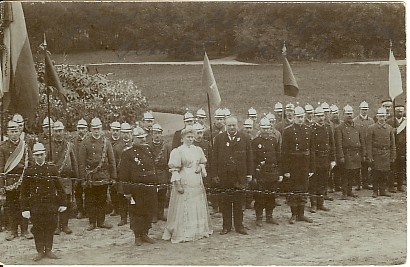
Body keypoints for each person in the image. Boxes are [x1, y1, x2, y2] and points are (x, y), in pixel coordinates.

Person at [163, 126, 212, 243]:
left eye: (192, 137)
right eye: (188, 137)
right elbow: (174, 170)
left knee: (196, 204)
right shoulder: (178, 151)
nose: (190, 139)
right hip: (184, 180)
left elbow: (202, 162)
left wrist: (200, 167)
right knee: (185, 206)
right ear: (182, 138)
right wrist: (178, 185)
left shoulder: (197, 150)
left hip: (196, 182)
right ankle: (184, 232)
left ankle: (197, 230)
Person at [20, 143, 66, 261]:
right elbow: (24, 191)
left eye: (41, 154)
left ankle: (49, 249)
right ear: (34, 156)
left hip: (51, 204)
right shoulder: (29, 171)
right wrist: (25, 208)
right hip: (36, 205)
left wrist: (63, 203)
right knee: (38, 227)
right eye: (37, 155)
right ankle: (40, 251)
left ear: (45, 154)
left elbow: (60, 187)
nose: (39, 157)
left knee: (50, 226)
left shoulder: (52, 168)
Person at [212, 116, 253, 235]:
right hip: (224, 176)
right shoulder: (219, 138)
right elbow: (214, 158)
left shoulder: (245, 138)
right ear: (226, 125)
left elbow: (249, 157)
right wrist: (214, 174)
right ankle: (226, 226)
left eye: (233, 125)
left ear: (237, 125)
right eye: (229, 125)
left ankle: (239, 226)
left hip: (239, 176)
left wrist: (249, 173)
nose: (231, 128)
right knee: (225, 202)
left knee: (239, 203)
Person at [118, 126, 158, 246]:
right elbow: (124, 174)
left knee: (148, 210)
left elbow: (153, 168)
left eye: (144, 137)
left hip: (149, 186)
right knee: (136, 212)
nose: (143, 140)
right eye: (139, 138)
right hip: (136, 189)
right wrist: (127, 191)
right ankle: (137, 235)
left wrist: (155, 183)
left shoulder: (148, 149)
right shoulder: (127, 153)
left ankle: (145, 233)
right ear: (133, 138)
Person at [78, 117, 117, 231]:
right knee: (90, 200)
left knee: (102, 199)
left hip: (103, 176)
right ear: (90, 129)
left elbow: (112, 161)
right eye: (94, 129)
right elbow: (81, 162)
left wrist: (113, 177)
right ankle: (92, 222)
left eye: (98, 128)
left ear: (101, 129)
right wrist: (83, 179)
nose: (96, 131)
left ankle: (101, 221)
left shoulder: (106, 142)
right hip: (90, 177)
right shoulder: (85, 143)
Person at [0, 121, 33, 241]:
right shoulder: (2, 148)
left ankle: (24, 230)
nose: (14, 134)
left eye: (16, 131)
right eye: (11, 131)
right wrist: (1, 185)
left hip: (23, 179)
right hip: (9, 181)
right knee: (11, 206)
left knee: (24, 205)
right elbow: (1, 167)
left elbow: (30, 164)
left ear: (20, 132)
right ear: (7, 133)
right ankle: (13, 230)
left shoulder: (25, 146)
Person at [282, 106, 315, 224]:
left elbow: (312, 150)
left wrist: (312, 168)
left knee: (303, 189)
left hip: (305, 164)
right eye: (298, 117)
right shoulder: (288, 131)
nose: (300, 119)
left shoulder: (308, 129)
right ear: (294, 117)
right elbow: (284, 152)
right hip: (293, 164)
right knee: (293, 190)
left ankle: (301, 214)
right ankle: (294, 214)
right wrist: (285, 169)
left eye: (302, 117)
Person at [46, 121, 78, 235]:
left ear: (63, 131)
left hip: (66, 179)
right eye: (56, 131)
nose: (58, 133)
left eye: (60, 131)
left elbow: (74, 162)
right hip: (54, 179)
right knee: (54, 203)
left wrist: (76, 178)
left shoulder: (69, 145)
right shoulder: (48, 145)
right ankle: (55, 226)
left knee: (66, 202)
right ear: (52, 132)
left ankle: (64, 225)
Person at [251, 118, 281, 226]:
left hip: (272, 173)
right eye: (263, 129)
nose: (266, 131)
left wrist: (279, 173)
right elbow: (253, 160)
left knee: (271, 196)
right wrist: (254, 175)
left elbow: (278, 157)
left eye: (267, 129)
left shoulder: (273, 141)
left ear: (270, 129)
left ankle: (269, 216)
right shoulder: (255, 142)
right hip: (261, 174)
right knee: (260, 197)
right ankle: (259, 217)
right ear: (260, 129)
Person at [334, 105, 366, 200]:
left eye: (351, 113)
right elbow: (338, 144)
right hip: (346, 153)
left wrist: (363, 153)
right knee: (345, 174)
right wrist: (341, 156)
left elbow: (362, 141)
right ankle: (344, 193)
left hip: (356, 153)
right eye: (347, 113)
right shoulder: (339, 128)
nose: (349, 115)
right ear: (343, 114)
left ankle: (350, 191)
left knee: (353, 173)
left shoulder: (357, 127)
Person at [309, 107, 335, 213]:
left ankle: (321, 203)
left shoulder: (328, 128)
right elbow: (310, 147)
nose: (320, 118)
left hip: (325, 158)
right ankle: (314, 204)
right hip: (315, 158)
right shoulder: (311, 129)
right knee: (314, 182)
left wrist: (333, 159)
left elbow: (332, 144)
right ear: (314, 117)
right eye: (318, 116)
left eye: (322, 116)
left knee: (323, 181)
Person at [368, 108, 396, 197]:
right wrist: (370, 156)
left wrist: (393, 155)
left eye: (383, 116)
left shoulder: (389, 128)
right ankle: (375, 191)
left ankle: (383, 190)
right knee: (376, 173)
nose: (382, 118)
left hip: (386, 154)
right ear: (377, 116)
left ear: (386, 117)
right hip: (376, 153)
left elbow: (393, 144)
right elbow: (369, 144)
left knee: (385, 173)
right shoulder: (371, 128)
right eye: (380, 116)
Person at [149, 123, 171, 222]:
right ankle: (153, 215)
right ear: (152, 134)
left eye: (159, 133)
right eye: (155, 133)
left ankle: (161, 213)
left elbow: (169, 161)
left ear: (161, 134)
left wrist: (169, 176)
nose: (157, 135)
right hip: (152, 174)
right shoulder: (147, 146)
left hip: (163, 174)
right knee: (152, 195)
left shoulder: (166, 147)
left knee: (162, 195)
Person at [113, 122, 133, 226]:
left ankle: (133, 217)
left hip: (133, 177)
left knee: (133, 197)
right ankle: (123, 218)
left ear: (131, 133)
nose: (126, 135)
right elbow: (114, 162)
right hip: (121, 176)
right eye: (124, 133)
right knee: (121, 197)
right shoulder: (117, 147)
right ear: (121, 133)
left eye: (128, 133)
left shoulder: (134, 146)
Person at [353, 101, 374, 190]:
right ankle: (358, 184)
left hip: (369, 146)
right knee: (358, 166)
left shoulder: (371, 121)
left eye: (366, 109)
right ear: (359, 109)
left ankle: (366, 183)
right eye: (363, 109)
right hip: (359, 147)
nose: (364, 111)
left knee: (367, 165)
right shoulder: (355, 121)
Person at [72, 118, 89, 219]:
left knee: (88, 191)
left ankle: (88, 210)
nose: (81, 130)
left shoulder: (90, 140)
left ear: (86, 129)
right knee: (78, 192)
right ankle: (80, 210)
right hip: (77, 170)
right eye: (79, 128)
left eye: (83, 128)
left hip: (88, 170)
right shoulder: (73, 142)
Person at [387, 105, 406, 192]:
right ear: (395, 111)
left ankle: (400, 184)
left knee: (401, 167)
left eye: (401, 111)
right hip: (392, 147)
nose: (399, 113)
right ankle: (391, 185)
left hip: (402, 148)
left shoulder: (405, 122)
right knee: (392, 167)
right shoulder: (389, 122)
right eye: (398, 111)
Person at [108, 121, 121, 217]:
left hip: (121, 169)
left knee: (122, 189)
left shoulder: (122, 142)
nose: (115, 132)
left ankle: (122, 208)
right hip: (111, 168)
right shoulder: (107, 142)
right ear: (110, 131)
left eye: (117, 130)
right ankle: (115, 208)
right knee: (112, 189)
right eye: (113, 130)